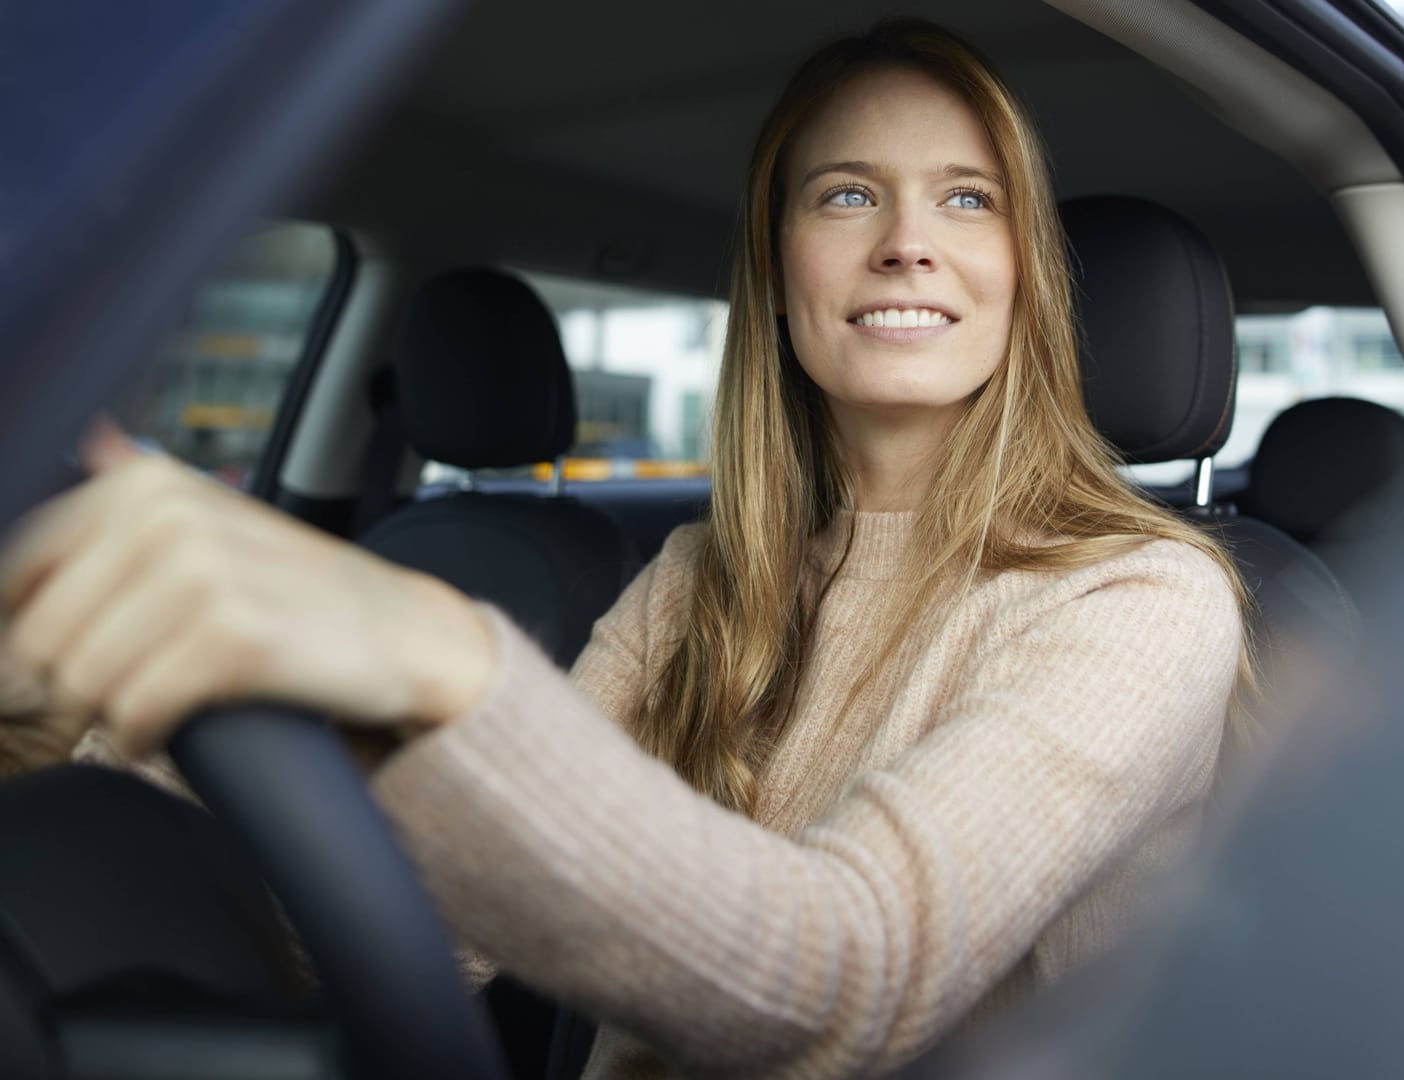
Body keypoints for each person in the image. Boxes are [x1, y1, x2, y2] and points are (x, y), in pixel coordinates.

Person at [0, 18, 1248, 1078]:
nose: (907, 242)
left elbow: (854, 980)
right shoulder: (700, 580)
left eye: (968, 198)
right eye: (847, 193)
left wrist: (427, 649)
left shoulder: (1144, 601)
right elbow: (453, 913)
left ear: (1027, 274)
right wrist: (107, 734)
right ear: (777, 271)